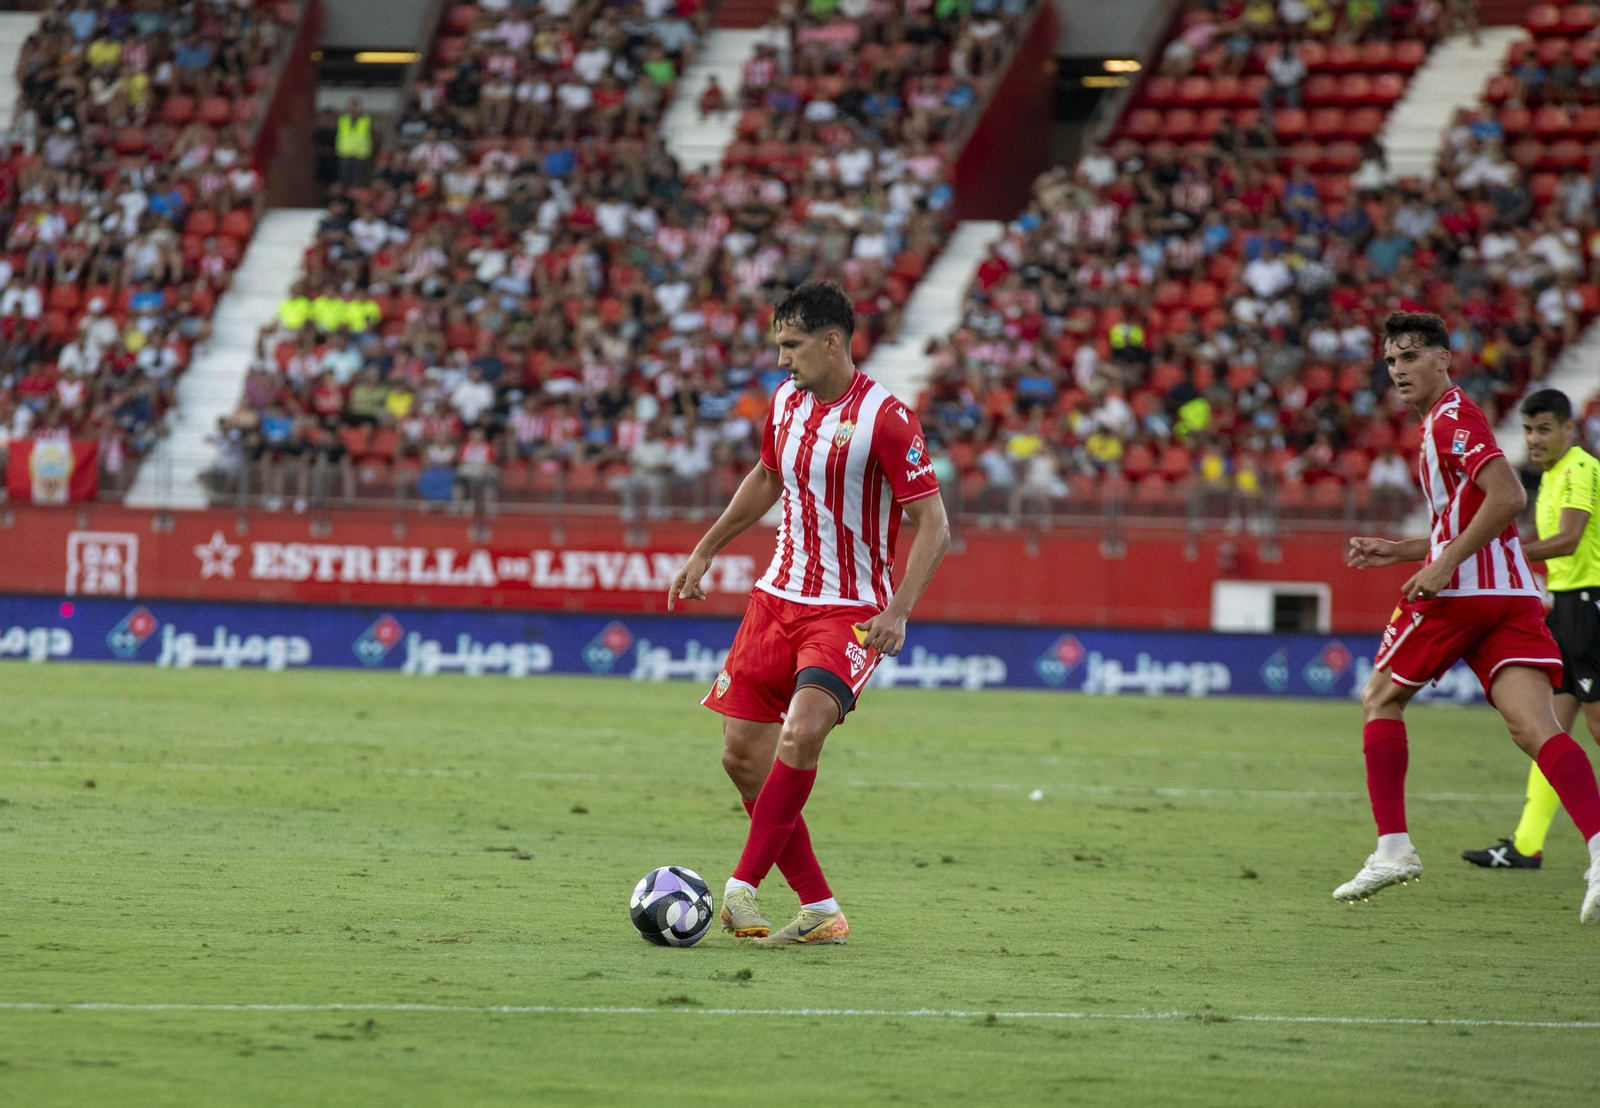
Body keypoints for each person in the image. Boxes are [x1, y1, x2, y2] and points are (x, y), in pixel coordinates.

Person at [668, 282, 951, 946]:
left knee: (800, 735)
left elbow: (933, 525)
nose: (783, 360)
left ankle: (741, 885)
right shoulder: (786, 403)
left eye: (792, 346)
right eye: (778, 346)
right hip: (775, 599)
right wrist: (705, 551)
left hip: (847, 613)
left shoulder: (887, 417)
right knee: (741, 757)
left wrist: (899, 611)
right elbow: (766, 477)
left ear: (831, 341)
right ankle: (820, 909)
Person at [1338, 313, 1600, 923]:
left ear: (1443, 360)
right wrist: (1400, 550)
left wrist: (1438, 566)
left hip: (1463, 593)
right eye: (1391, 361)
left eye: (1410, 356)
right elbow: (1463, 520)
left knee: (1379, 698)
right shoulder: (1440, 422)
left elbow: (1508, 496)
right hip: (1509, 593)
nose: (1398, 370)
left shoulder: (1452, 418)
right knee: (1537, 729)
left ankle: (1393, 848)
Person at [1463, 389, 1600, 869]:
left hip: (1591, 608)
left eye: (1544, 429)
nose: (1534, 439)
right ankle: (1526, 844)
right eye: (1527, 429)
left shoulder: (1581, 468)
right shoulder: (1549, 475)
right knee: (1550, 731)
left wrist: (1502, 553)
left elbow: (1567, 541)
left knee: (1596, 731)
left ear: (1568, 428)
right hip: (1565, 611)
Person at [336, 98, 374, 187]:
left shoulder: (366, 120)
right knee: (344, 181)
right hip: (345, 154)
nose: (354, 109)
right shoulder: (342, 120)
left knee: (358, 181)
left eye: (356, 106)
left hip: (360, 155)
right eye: (352, 106)